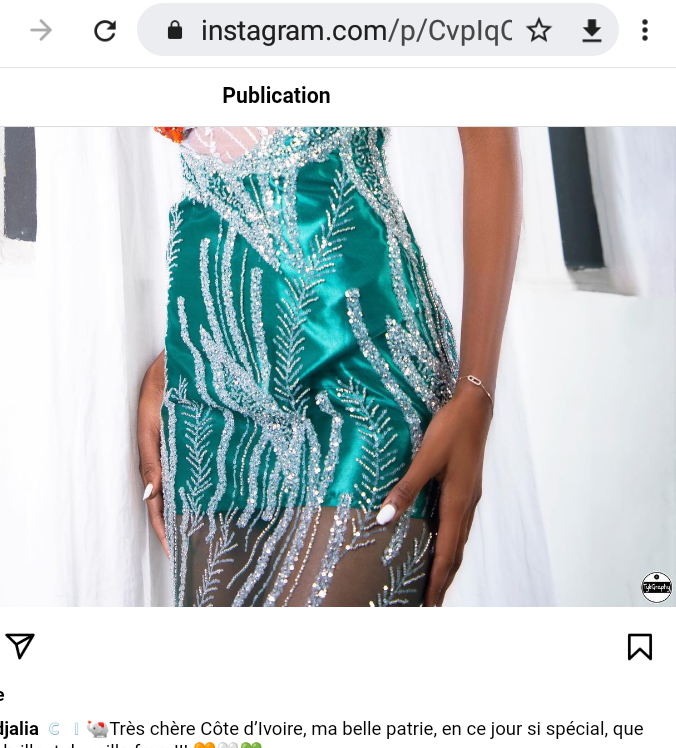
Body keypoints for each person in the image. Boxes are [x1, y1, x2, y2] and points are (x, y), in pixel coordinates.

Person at [139, 125, 521, 607]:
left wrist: (476, 392)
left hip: (365, 367)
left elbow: (488, 135)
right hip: (211, 384)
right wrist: (177, 357)